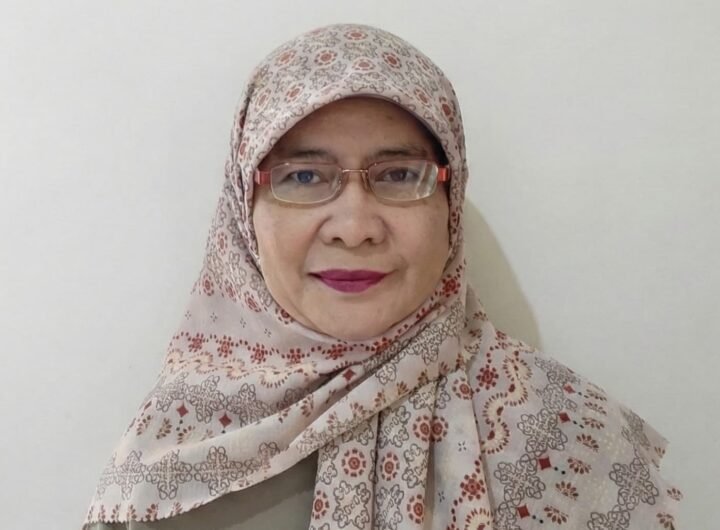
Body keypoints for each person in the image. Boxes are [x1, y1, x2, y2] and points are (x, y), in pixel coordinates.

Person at [82, 23, 682, 530]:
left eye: (398, 174)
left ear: (449, 204)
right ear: (244, 210)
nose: (354, 227)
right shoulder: (172, 453)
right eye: (302, 176)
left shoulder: (574, 438)